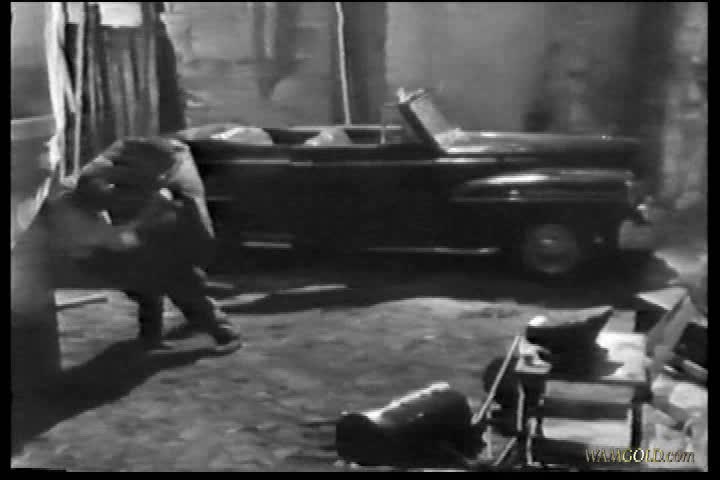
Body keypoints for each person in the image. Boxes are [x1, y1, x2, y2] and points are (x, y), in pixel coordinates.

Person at [66, 136, 241, 351]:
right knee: (147, 292)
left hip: (172, 254)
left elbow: (152, 222)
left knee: (188, 294)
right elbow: (91, 194)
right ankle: (151, 336)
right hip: (145, 251)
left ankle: (224, 333)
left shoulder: (162, 194)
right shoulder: (125, 186)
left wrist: (128, 231)